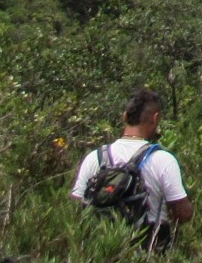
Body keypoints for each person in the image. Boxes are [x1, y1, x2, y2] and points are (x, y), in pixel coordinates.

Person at [71, 87, 194, 249]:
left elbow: (76, 208)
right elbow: (183, 214)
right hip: (149, 252)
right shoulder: (164, 160)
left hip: (102, 253)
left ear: (124, 117)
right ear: (155, 118)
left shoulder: (95, 157)